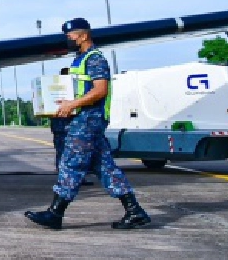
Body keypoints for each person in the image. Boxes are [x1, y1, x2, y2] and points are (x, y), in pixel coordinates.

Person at [25, 18, 151, 230]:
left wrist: (73, 103)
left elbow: (100, 89)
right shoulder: (80, 60)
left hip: (87, 121)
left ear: (83, 35)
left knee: (71, 163)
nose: (68, 39)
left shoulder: (94, 59)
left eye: (71, 35)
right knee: (104, 167)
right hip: (84, 119)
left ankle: (55, 213)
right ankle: (134, 211)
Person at [50, 67, 93, 186]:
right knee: (65, 152)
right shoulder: (63, 90)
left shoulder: (71, 90)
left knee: (72, 152)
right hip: (62, 126)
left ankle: (73, 178)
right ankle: (66, 178)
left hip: (66, 126)